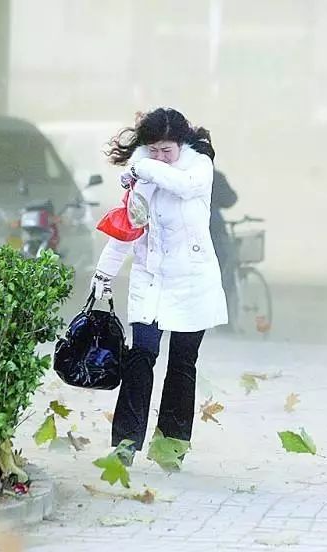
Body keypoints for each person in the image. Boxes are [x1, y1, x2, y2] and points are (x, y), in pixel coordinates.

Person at [90, 107, 227, 465]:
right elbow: (127, 229)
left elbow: (182, 186)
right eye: (154, 149)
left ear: (181, 145)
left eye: (167, 150)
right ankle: (124, 445)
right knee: (141, 356)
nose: (161, 156)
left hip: (193, 280)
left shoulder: (199, 168)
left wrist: (140, 167)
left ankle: (171, 447)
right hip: (150, 278)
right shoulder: (142, 178)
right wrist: (104, 275)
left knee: (183, 363)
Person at [209, 169, 238, 326]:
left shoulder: (178, 173)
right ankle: (224, 321)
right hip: (215, 230)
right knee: (224, 271)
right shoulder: (215, 176)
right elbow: (231, 199)